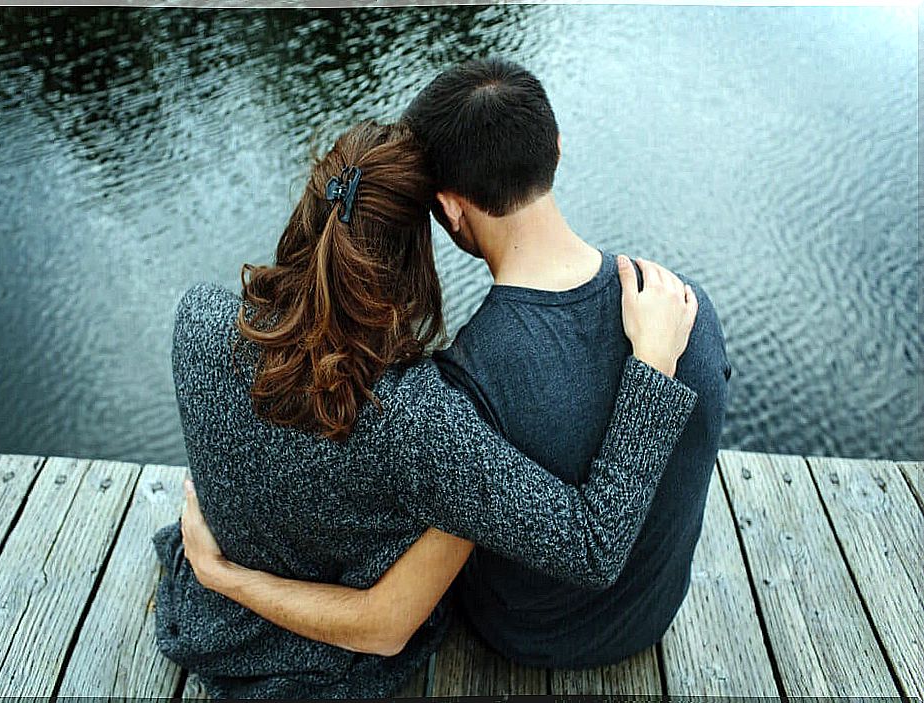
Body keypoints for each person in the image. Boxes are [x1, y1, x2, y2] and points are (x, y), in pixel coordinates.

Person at [178, 57, 732, 675]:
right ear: (555, 146)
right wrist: (650, 367)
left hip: (521, 636)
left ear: (450, 209)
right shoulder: (687, 310)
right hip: (650, 620)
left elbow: (582, 545)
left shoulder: (467, 379)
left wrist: (222, 573)